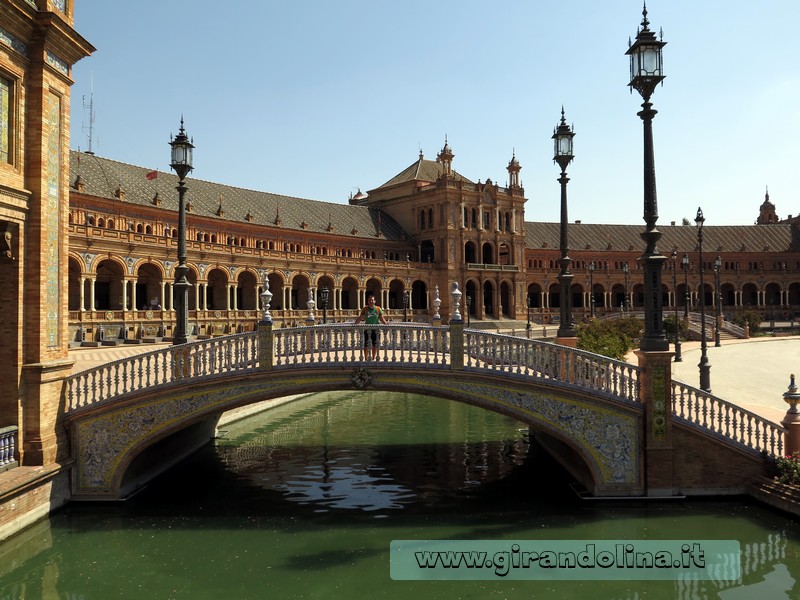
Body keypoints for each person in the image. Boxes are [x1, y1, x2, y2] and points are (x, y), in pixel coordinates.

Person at [354, 293, 387, 360]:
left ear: (375, 301)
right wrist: (354, 324)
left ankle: (373, 358)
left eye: (372, 300)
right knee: (366, 345)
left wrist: (386, 325)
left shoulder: (378, 309)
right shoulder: (365, 309)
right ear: (368, 301)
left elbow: (381, 318)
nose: (371, 301)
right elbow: (361, 317)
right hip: (367, 330)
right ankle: (366, 358)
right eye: (369, 300)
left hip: (376, 330)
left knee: (375, 345)